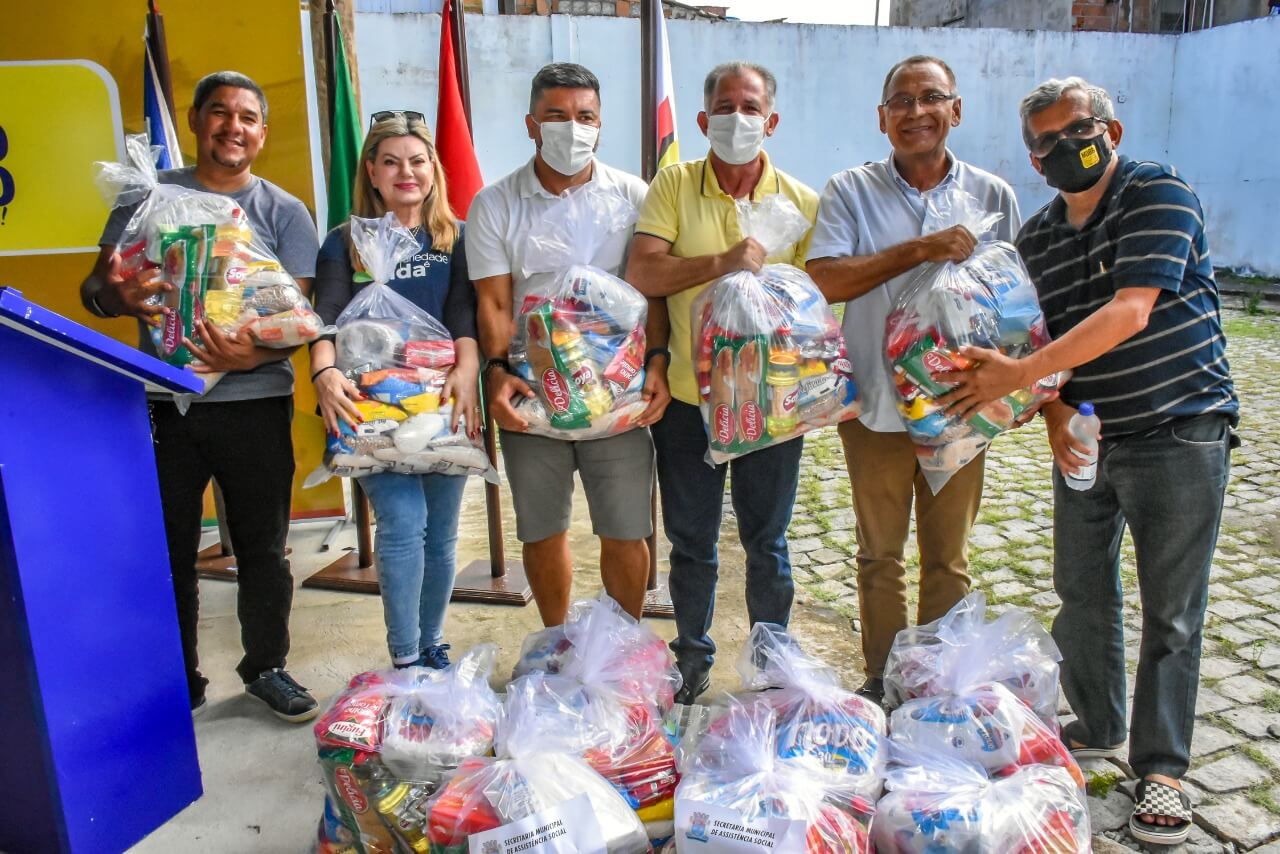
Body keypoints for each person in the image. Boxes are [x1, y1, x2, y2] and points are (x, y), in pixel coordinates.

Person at [938, 76, 1237, 846]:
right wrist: (1051, 410)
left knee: (1172, 609)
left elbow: (1130, 310)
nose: (1063, 148)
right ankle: (1099, 723)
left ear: (1112, 130)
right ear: (1034, 159)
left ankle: (1163, 769)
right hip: (1089, 438)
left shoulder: (1156, 194)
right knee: (1081, 589)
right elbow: (1042, 344)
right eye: (1045, 142)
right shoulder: (1038, 238)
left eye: (1077, 130)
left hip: (1178, 428)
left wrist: (1019, 376)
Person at [81, 71, 320, 721]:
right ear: (194, 120)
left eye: (247, 117)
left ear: (262, 132)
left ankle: (266, 667)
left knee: (262, 547)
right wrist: (118, 297)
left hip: (255, 405)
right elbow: (95, 290)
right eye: (219, 112)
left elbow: (296, 317)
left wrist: (250, 355)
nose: (232, 127)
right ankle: (175, 675)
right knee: (167, 547)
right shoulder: (148, 197)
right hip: (165, 404)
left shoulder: (284, 211)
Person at [805, 55, 1021, 706]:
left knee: (948, 557)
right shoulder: (851, 189)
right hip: (876, 402)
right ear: (882, 118)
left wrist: (1017, 383)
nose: (916, 111)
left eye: (931, 97)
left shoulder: (992, 195)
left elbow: (1013, 299)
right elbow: (826, 280)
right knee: (880, 555)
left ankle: (935, 686)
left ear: (956, 109)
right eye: (901, 101)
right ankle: (882, 679)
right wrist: (920, 250)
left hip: (960, 402)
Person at [625, 61, 816, 704]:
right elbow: (645, 274)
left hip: (770, 403)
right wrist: (725, 264)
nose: (739, 119)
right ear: (704, 120)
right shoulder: (675, 185)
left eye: (751, 107)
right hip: (688, 399)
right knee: (691, 541)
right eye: (725, 107)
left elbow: (817, 300)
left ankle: (771, 658)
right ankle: (692, 656)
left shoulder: (799, 203)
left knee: (768, 541)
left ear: (772, 120)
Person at [467, 63, 669, 626]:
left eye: (585, 117)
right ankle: (556, 638)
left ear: (600, 125)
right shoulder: (496, 203)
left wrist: (657, 361)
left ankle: (621, 645)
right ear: (531, 124)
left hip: (619, 395)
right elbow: (494, 302)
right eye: (556, 116)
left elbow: (651, 292)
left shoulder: (633, 196)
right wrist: (497, 371)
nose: (572, 128)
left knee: (626, 529)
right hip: (535, 393)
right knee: (541, 529)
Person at [311, 111, 478, 670]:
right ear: (372, 173)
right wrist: (323, 373)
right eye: (391, 162)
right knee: (404, 522)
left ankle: (432, 643)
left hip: (441, 403)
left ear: (434, 168)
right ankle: (405, 657)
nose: (406, 172)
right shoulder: (345, 243)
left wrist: (468, 373)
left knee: (442, 532)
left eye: (417, 160)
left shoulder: (455, 238)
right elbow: (326, 316)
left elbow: (463, 314)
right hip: (371, 409)